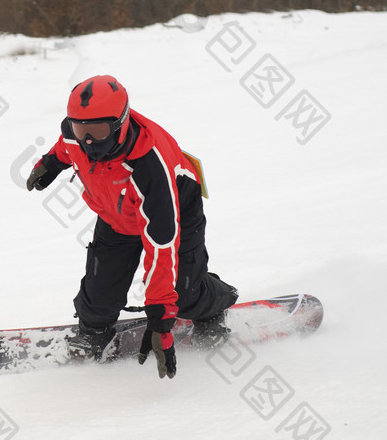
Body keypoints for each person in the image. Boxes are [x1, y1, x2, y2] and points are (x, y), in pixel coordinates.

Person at [26, 75, 238, 379]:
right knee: (98, 300)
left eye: (98, 132)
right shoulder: (75, 135)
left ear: (121, 123)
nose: (88, 141)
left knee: (183, 294)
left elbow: (161, 246)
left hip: (175, 208)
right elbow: (67, 144)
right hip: (117, 215)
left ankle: (215, 303)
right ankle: (94, 332)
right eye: (80, 128)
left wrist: (161, 319)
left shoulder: (149, 164)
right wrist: (51, 163)